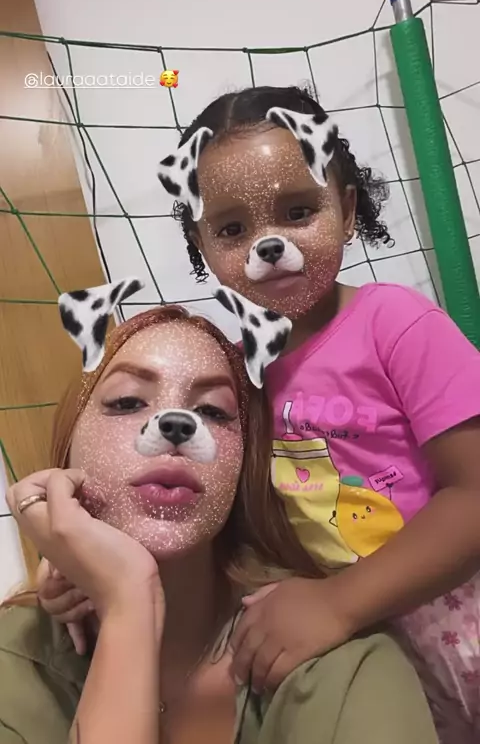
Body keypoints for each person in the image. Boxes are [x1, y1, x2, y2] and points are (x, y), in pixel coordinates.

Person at [156, 84, 480, 741]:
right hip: (375, 654)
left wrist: (339, 601)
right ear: (202, 245)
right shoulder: (238, 375)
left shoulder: (396, 322)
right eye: (232, 229)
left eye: (298, 211)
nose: (269, 243)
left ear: (347, 210)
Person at [0, 304, 439, 744]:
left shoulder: (339, 664)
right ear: (68, 444)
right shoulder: (14, 659)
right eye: (128, 401)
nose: (176, 426)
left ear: (245, 463)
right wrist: (128, 602)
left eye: (213, 411)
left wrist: (127, 601)